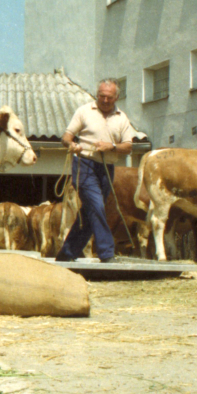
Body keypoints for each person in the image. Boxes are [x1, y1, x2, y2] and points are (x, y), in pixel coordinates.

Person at [56, 79, 136, 263]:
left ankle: (66, 254)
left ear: (116, 97)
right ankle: (107, 253)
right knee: (97, 207)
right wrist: (72, 145)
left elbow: (128, 147)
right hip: (84, 165)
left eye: (109, 97)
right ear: (97, 94)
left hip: (106, 168)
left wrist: (111, 147)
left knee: (90, 212)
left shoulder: (122, 117)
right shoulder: (84, 111)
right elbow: (66, 137)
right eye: (102, 96)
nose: (105, 100)